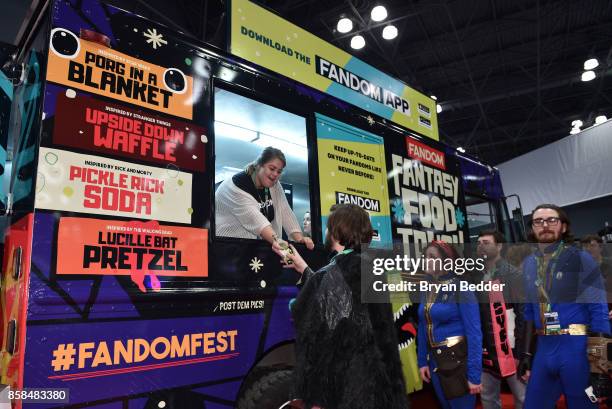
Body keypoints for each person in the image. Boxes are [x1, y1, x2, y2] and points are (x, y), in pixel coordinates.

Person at [274, 204, 408, 409]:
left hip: (342, 386)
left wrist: (316, 397)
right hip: (376, 382)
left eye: (329, 226)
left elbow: (318, 337)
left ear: (337, 231)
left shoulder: (330, 275)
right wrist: (306, 271)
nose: (326, 231)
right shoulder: (371, 268)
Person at [517, 204, 611, 408]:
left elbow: (599, 312)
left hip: (575, 350)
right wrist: (525, 354)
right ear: (532, 228)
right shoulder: (529, 264)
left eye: (552, 220)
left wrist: (600, 366)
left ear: (564, 226)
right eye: (538, 221)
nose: (545, 225)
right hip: (544, 350)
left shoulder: (582, 259)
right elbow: (529, 312)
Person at [417, 241, 482, 409]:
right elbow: (423, 325)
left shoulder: (462, 288)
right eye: (425, 257)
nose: (426, 260)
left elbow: (474, 334)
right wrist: (422, 361)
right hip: (435, 363)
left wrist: (474, 375)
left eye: (432, 257)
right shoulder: (427, 288)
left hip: (458, 364)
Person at [216, 147, 313, 249]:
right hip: (224, 244)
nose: (275, 174)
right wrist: (283, 248)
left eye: (279, 171)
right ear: (259, 165)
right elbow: (258, 222)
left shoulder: (274, 184)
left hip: (248, 246)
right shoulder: (236, 187)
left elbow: (285, 212)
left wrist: (300, 239)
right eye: (272, 168)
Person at [476, 230, 526, 409]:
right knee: (488, 397)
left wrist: (520, 351)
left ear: (499, 246)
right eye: (479, 242)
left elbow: (522, 315)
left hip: (510, 348)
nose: (481, 245)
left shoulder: (513, 274)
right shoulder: (475, 276)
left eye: (486, 242)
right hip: (484, 348)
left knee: (522, 396)